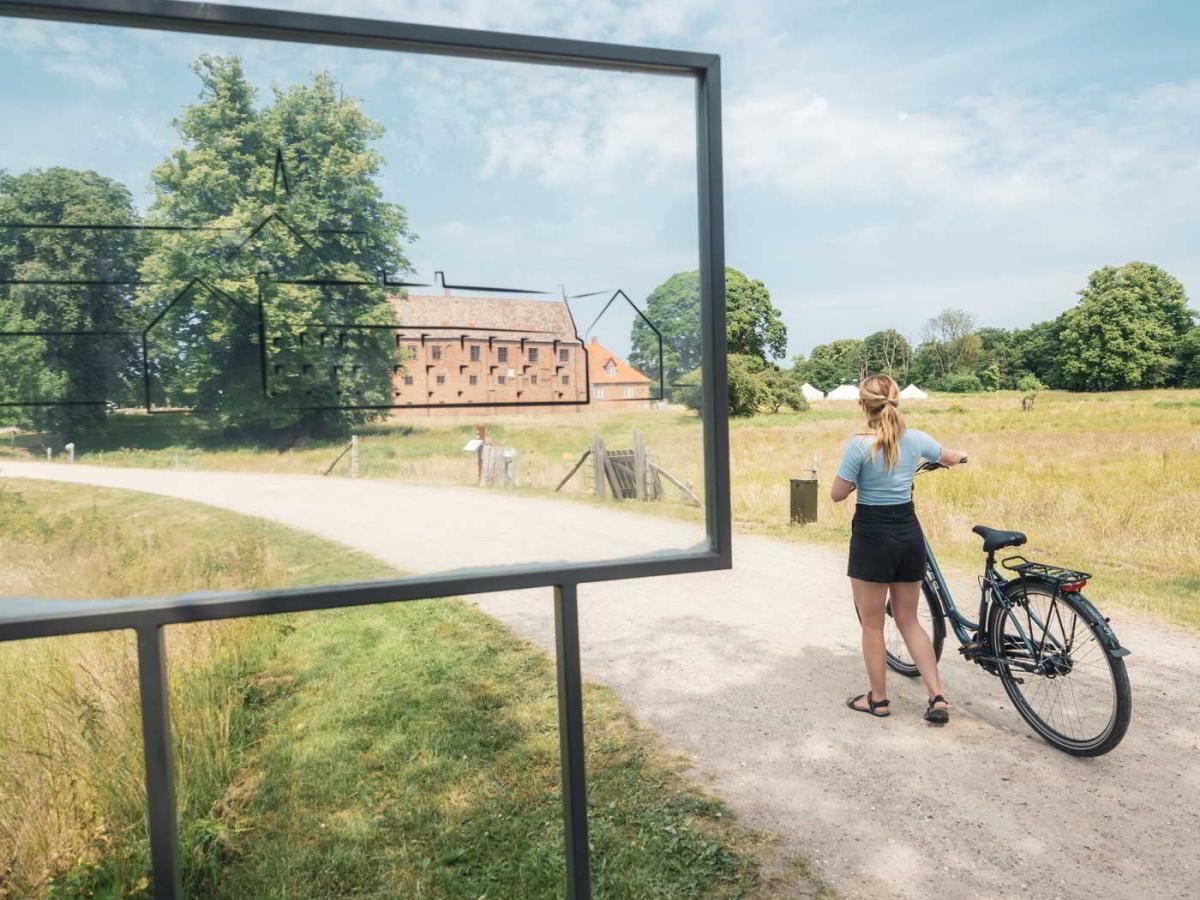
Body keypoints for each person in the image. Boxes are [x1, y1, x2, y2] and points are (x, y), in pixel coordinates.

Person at [830, 374, 967, 724]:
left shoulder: (859, 446)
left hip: (872, 536)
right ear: (897, 401)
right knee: (909, 619)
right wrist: (959, 455)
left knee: (873, 624)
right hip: (908, 534)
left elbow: (837, 493)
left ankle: (878, 700)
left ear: (863, 405)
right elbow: (950, 456)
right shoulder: (915, 439)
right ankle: (937, 696)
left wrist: (860, 479)